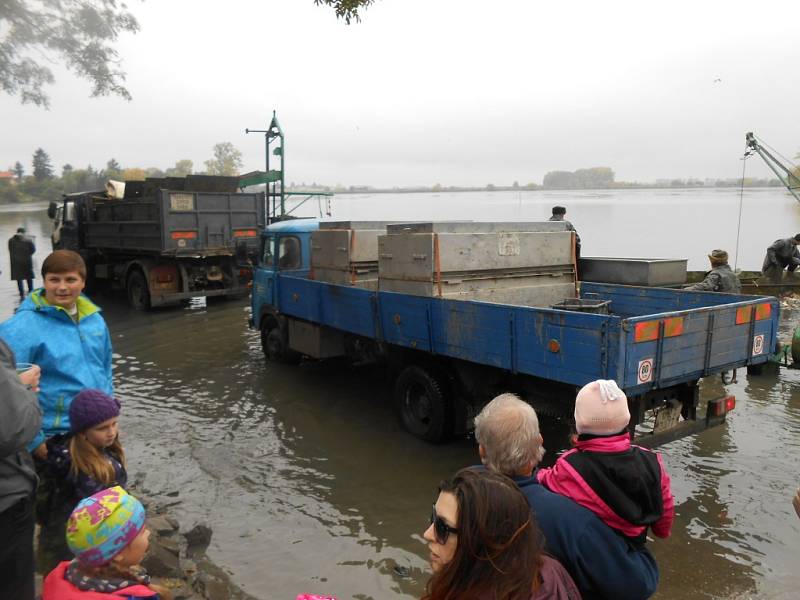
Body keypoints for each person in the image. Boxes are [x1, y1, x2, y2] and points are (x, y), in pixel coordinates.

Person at [474, 393, 659, 600]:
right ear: (539, 442)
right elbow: (637, 586)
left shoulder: (462, 491)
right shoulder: (573, 520)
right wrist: (638, 546)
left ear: (482, 451)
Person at [0, 249, 113, 458]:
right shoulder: (20, 327)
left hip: (95, 429)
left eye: (70, 279)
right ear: (44, 281)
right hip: (54, 436)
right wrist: (35, 442)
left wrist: (110, 419)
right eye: (54, 280)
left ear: (83, 282)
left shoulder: (94, 319)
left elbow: (105, 368)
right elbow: (7, 392)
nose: (62, 287)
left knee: (104, 489)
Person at [536, 380, 674, 548]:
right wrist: (662, 531)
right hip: (634, 552)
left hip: (593, 554)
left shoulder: (569, 466)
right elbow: (663, 520)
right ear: (625, 419)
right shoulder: (653, 462)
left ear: (580, 423)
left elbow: (542, 481)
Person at [422, 467, 581, 600]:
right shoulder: (547, 569)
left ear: (482, 540)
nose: (427, 534)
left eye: (442, 527)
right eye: (433, 517)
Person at [38, 389, 127, 571]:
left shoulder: (106, 448)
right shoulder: (77, 467)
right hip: (78, 540)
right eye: (102, 428)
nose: (111, 432)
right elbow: (102, 508)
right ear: (82, 433)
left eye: (114, 424)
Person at [42, 486, 171, 599]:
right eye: (142, 531)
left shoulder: (65, 577)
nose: (148, 533)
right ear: (117, 553)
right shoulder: (133, 597)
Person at [0, 339, 42, 600]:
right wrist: (23, 390)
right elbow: (14, 427)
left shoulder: (92, 319)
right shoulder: (20, 328)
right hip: (7, 499)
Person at [549, 206, 581, 275]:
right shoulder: (567, 224)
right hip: (565, 252)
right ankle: (576, 271)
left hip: (550, 251)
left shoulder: (546, 224)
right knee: (578, 245)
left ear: (553, 213)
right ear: (564, 213)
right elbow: (577, 239)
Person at [8, 226, 36, 297]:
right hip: (27, 262)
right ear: (24, 233)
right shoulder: (28, 240)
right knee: (29, 277)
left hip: (16, 262)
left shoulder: (10, 240)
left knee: (19, 278)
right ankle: (31, 292)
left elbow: (10, 250)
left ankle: (21, 293)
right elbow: (33, 250)